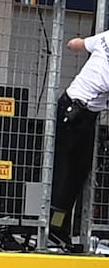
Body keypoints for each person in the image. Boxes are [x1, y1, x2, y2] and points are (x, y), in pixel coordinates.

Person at [47, 32, 109, 251]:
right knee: (64, 175)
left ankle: (59, 230)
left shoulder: (107, 37)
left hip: (83, 114)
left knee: (78, 173)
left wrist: (75, 45)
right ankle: (52, 230)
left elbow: (75, 44)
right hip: (73, 112)